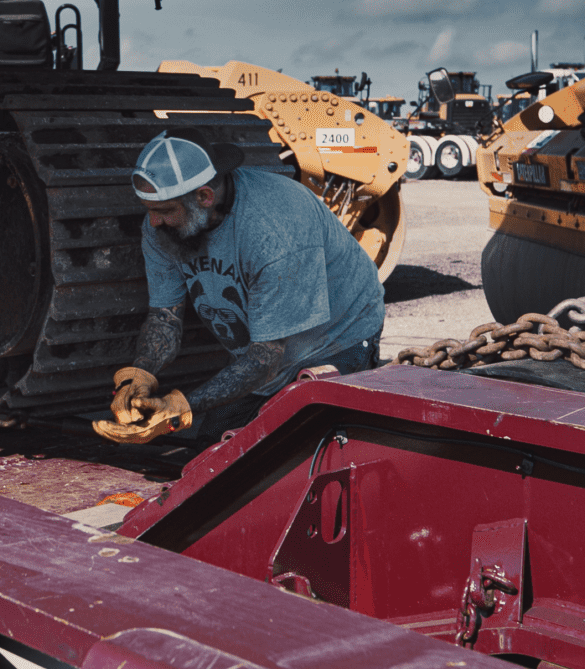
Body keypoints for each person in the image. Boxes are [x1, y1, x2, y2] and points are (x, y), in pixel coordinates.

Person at [92, 127, 385, 446]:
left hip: (337, 342)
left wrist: (180, 407)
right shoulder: (163, 226)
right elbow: (165, 315)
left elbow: (266, 357)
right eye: (149, 209)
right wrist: (140, 374)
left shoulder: (273, 230)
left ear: (204, 196)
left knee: (299, 458)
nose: (152, 223)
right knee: (211, 453)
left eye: (163, 211)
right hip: (264, 355)